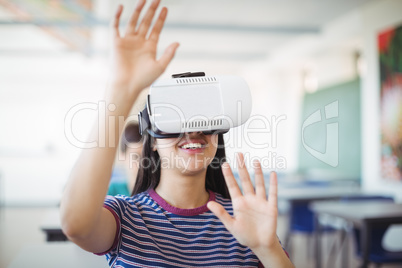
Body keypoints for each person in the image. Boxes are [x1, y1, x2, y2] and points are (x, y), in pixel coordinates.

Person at [60, 0, 294, 267]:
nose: (192, 131)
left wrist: (268, 248)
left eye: (203, 118)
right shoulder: (126, 216)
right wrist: (120, 90)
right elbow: (76, 225)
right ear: (154, 141)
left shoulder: (244, 221)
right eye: (175, 119)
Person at [107, 122, 143, 196]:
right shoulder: (112, 192)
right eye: (135, 157)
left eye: (147, 157)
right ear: (122, 156)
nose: (142, 164)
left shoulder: (158, 194)